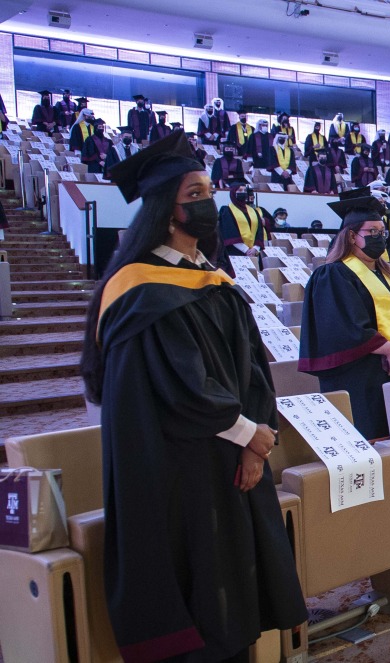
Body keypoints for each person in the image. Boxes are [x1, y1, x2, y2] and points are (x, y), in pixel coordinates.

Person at [81, 130, 306, 661]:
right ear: (166, 210)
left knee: (234, 585)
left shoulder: (207, 277)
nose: (211, 206)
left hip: (230, 455)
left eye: (210, 193)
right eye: (196, 197)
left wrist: (255, 441)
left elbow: (250, 369)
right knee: (201, 585)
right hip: (181, 463)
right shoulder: (141, 290)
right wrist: (251, 436)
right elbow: (181, 386)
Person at [299, 194, 390, 439]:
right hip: (364, 378)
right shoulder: (334, 275)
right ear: (352, 236)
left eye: (382, 232)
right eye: (372, 231)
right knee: (375, 443)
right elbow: (343, 327)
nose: (380, 237)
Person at [217, 179, 267, 276]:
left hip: (254, 253)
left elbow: (259, 231)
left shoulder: (253, 211)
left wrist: (255, 248)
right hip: (235, 253)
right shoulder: (226, 211)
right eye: (239, 191)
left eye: (244, 190)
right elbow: (229, 232)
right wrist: (246, 250)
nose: (243, 193)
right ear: (233, 193)